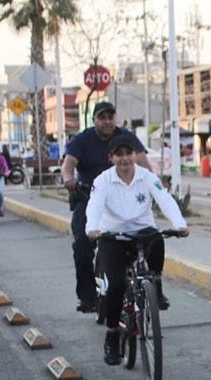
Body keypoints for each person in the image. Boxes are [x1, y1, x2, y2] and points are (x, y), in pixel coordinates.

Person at [85, 135, 190, 365]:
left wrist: (179, 224)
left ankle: (156, 285)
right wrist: (92, 228)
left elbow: (165, 199)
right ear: (111, 158)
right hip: (112, 236)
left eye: (128, 153)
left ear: (135, 155)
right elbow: (94, 205)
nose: (125, 158)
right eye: (119, 154)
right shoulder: (103, 181)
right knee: (116, 286)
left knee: (158, 237)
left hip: (142, 233)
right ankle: (112, 334)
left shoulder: (147, 177)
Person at [62, 101, 152, 314]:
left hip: (123, 198)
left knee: (148, 238)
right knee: (82, 247)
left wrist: (153, 182)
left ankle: (152, 287)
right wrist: (68, 178)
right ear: (94, 120)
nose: (107, 121)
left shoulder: (125, 137)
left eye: (111, 117)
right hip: (88, 197)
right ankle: (88, 297)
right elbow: (68, 164)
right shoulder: (83, 140)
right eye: (102, 117)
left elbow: (143, 162)